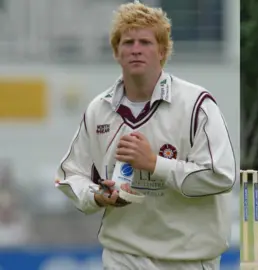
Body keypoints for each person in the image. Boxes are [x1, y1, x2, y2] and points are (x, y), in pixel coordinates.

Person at [54, 2, 237, 269]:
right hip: (123, 255)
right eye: (128, 42)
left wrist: (154, 164)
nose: (136, 49)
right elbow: (69, 175)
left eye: (145, 42)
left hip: (188, 258)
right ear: (117, 52)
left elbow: (222, 175)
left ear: (162, 51)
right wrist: (96, 195)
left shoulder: (196, 104)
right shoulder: (99, 109)